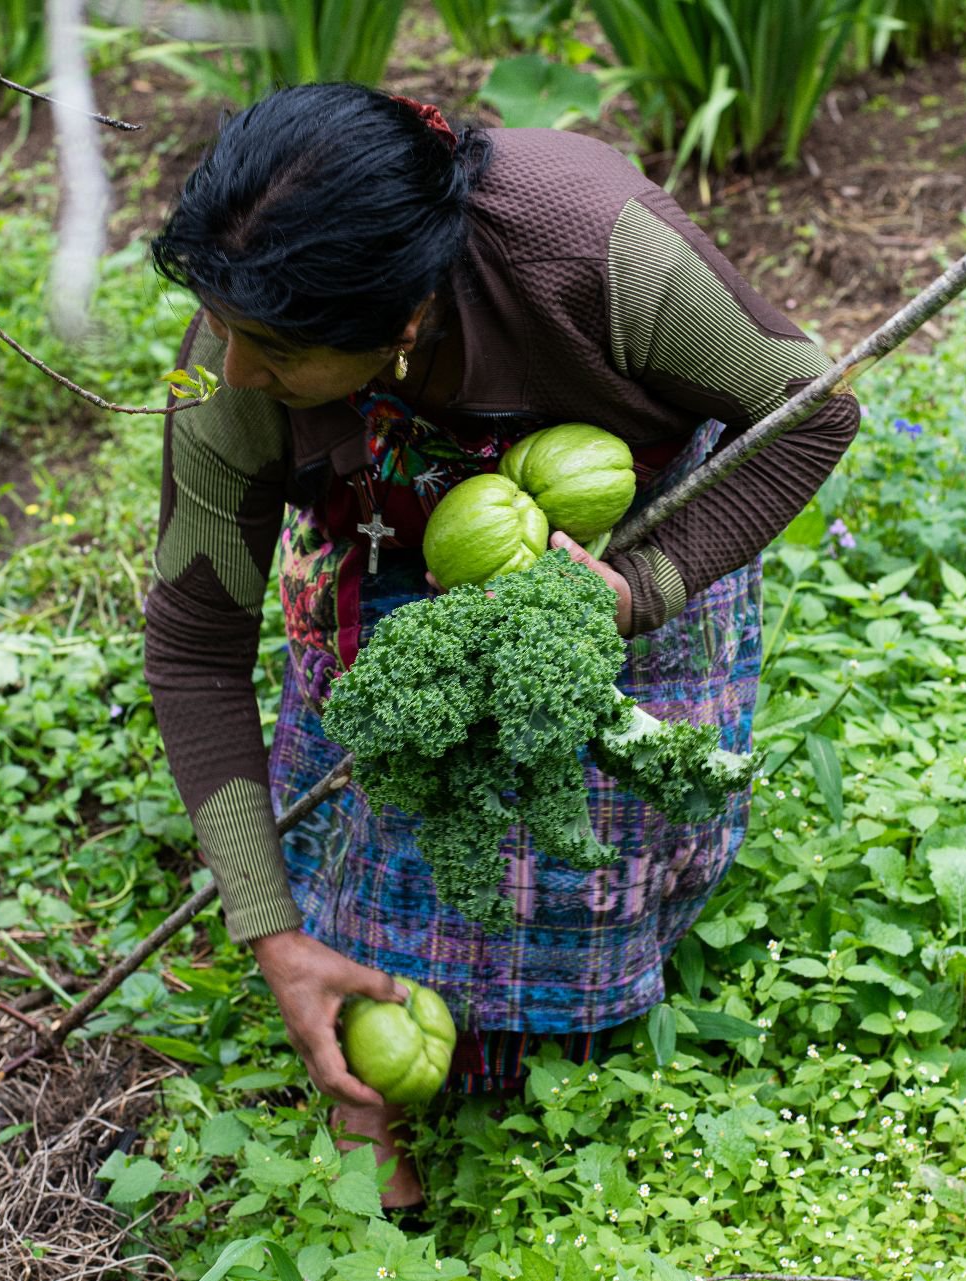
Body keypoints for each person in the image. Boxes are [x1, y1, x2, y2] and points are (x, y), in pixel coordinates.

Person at [144, 82, 860, 1213]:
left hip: (623, 528)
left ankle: (572, 1011)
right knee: (394, 764)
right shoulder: (238, 365)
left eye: (275, 350)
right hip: (384, 520)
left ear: (407, 321)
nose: (235, 370)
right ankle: (365, 1094)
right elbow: (193, 646)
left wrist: (640, 588)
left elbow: (811, 410)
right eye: (228, 331)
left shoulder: (599, 251)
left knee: (599, 810)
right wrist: (271, 933)